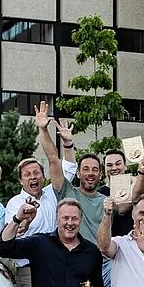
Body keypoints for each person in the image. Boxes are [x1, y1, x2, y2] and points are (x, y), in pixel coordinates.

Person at [4, 155, 77, 287]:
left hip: (58, 266)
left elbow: (69, 169)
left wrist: (67, 145)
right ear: (21, 180)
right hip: (28, 268)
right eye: (27, 174)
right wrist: (25, 222)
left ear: (43, 176)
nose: (33, 177)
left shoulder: (53, 194)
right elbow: (10, 236)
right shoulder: (15, 203)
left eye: (36, 173)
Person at [34, 102, 104, 244]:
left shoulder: (107, 201)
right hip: (69, 255)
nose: (90, 173)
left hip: (99, 257)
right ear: (77, 173)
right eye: (85, 169)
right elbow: (53, 159)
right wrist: (43, 129)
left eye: (95, 169)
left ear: (101, 175)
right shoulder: (67, 191)